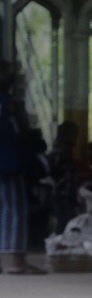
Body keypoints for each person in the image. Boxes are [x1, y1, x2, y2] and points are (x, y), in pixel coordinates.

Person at [0, 75, 37, 275]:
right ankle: (17, 261)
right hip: (8, 162)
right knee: (15, 209)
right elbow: (22, 132)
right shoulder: (11, 105)